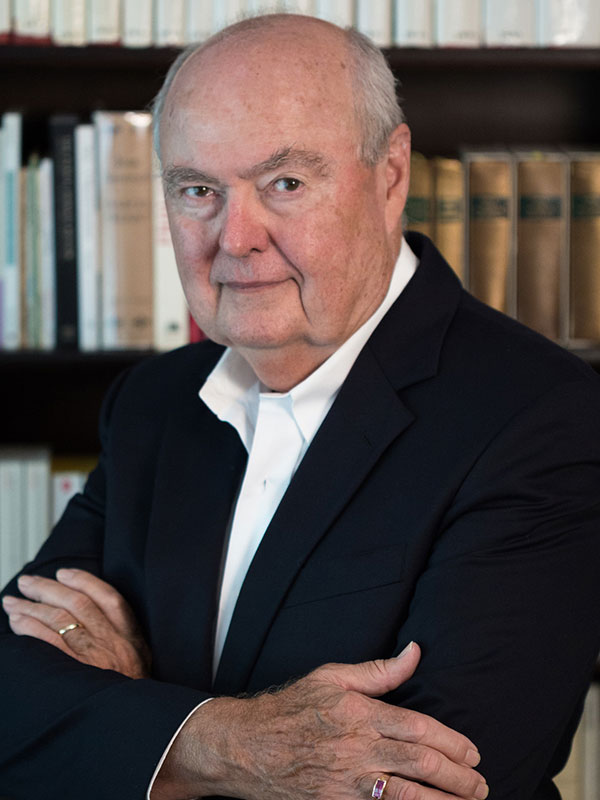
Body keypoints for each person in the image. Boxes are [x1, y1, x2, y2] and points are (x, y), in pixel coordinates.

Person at [2, 12, 600, 800]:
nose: (234, 237)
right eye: (197, 190)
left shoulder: (544, 418)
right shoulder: (153, 404)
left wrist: (129, 719)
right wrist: (230, 745)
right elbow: (12, 701)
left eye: (285, 182)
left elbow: (439, 784)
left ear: (391, 177)